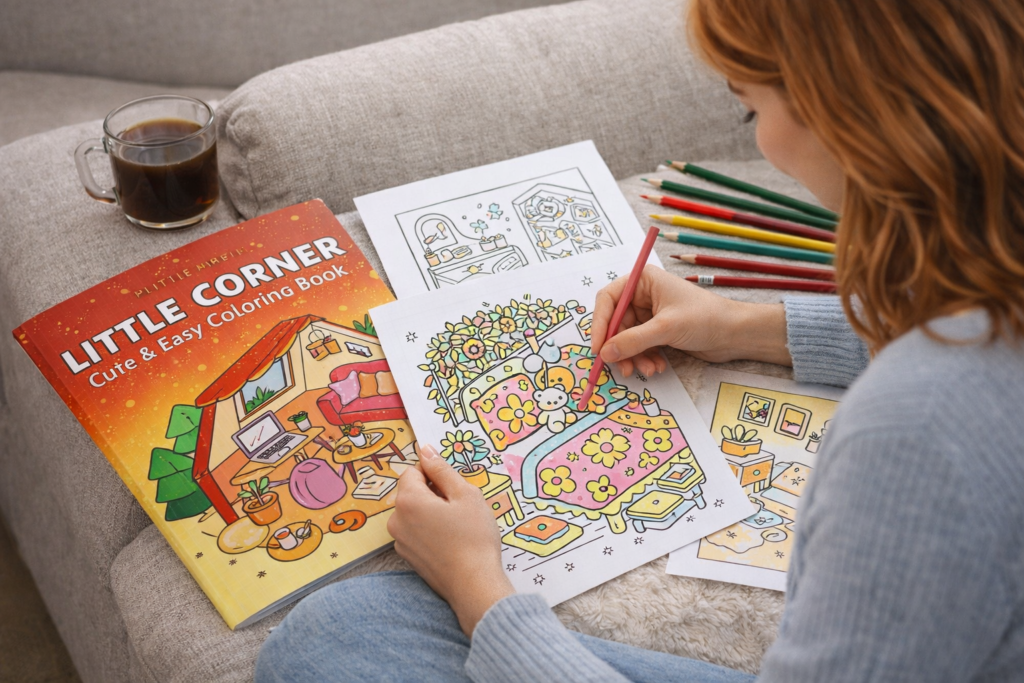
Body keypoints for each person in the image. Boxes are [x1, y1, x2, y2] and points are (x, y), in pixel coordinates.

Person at [256, 0, 1024, 680]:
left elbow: (951, 397)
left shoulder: (914, 433)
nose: (761, 144)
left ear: (847, 113)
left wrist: (479, 592)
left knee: (334, 640)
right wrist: (750, 326)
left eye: (749, 109)